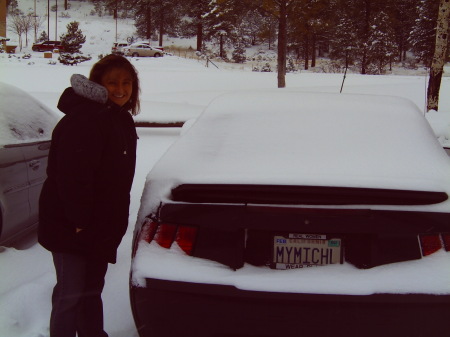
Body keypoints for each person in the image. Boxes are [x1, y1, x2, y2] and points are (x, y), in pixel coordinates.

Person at [38, 54, 140, 337]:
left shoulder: (118, 118)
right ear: (98, 84)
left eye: (126, 82)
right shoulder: (85, 118)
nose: (120, 89)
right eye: (112, 83)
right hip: (72, 224)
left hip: (99, 225)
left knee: (91, 291)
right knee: (70, 294)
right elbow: (72, 176)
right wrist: (80, 220)